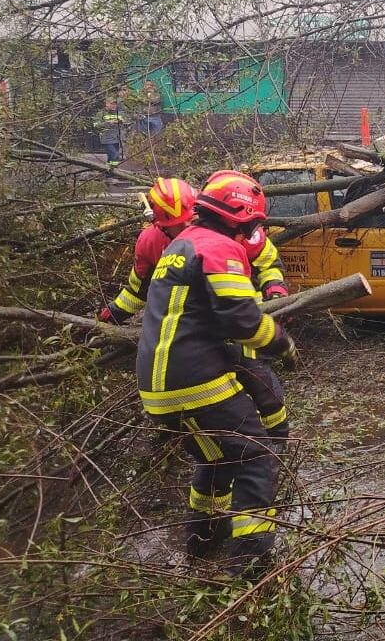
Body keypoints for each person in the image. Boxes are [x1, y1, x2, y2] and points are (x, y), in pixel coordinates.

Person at [135, 170, 297, 577]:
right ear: (239, 217)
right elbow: (242, 319)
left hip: (156, 389)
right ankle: (250, 566)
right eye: (251, 225)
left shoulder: (181, 245)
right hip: (197, 379)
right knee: (256, 455)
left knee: (218, 459)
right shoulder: (218, 247)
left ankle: (203, 543)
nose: (251, 234)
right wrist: (282, 343)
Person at [101, 174, 293, 446]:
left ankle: (278, 442)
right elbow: (137, 291)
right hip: (197, 337)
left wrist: (276, 292)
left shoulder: (231, 225)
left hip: (244, 317)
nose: (184, 229)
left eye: (187, 221)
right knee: (218, 406)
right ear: (159, 224)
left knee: (261, 381)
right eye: (175, 227)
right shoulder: (151, 243)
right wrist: (110, 315)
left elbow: (268, 262)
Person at [96, 95, 126, 166]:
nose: (114, 106)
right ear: (107, 104)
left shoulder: (120, 113)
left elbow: (126, 123)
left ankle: (109, 169)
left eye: (115, 104)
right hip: (107, 138)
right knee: (114, 155)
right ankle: (114, 169)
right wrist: (108, 123)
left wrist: (122, 122)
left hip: (117, 138)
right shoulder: (101, 113)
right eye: (112, 104)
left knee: (111, 157)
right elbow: (96, 125)